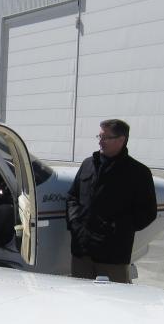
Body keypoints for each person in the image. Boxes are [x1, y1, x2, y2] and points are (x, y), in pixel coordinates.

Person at [66, 119, 156, 284]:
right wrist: (75, 224)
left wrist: (117, 230)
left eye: (106, 137)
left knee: (113, 302)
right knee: (79, 300)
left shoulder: (138, 173)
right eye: (99, 136)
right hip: (82, 252)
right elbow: (73, 197)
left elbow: (147, 212)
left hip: (112, 256)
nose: (100, 141)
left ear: (121, 140)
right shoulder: (88, 164)